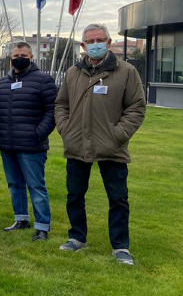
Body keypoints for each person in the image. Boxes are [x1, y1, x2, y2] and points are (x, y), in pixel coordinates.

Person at [55, 23, 146, 265]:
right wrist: (65, 129)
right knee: (74, 195)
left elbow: (136, 108)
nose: (95, 44)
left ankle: (120, 247)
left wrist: (117, 135)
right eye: (90, 41)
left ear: (108, 42)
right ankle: (77, 238)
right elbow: (61, 104)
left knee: (118, 198)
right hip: (77, 145)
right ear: (83, 46)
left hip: (111, 147)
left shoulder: (126, 71)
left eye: (100, 40)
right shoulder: (73, 73)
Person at [0, 42, 57, 241]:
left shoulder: (44, 80)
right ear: (10, 57)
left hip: (32, 144)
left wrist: (38, 134)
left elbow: (53, 112)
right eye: (16, 54)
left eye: (23, 55)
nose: (19, 57)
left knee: (36, 186)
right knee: (14, 184)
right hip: (7, 144)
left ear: (31, 58)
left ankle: (42, 226)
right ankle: (21, 219)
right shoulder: (3, 82)